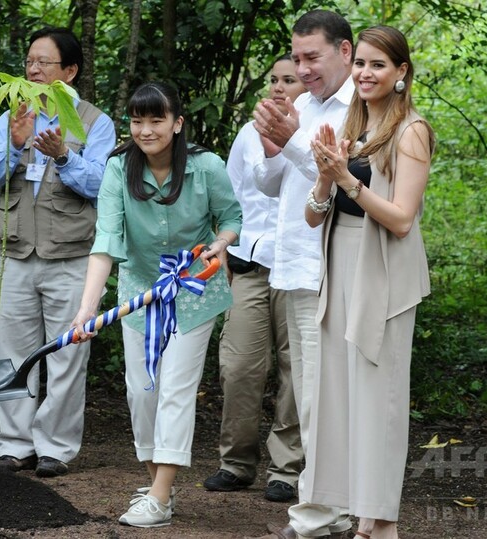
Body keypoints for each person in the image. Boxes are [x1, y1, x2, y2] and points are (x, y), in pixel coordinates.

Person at [71, 81, 242, 528]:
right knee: (141, 393)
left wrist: (219, 245)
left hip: (193, 291)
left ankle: (160, 498)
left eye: (156, 120)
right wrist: (87, 308)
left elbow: (232, 217)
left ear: (177, 123)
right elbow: (106, 241)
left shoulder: (207, 167)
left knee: (176, 390)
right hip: (140, 293)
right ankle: (156, 486)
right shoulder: (117, 170)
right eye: (137, 120)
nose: (145, 130)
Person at [301, 25, 435, 539]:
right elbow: (315, 217)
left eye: (379, 65)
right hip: (341, 269)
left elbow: (402, 218)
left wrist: (347, 181)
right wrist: (323, 174)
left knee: (378, 400)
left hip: (383, 271)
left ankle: (383, 525)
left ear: (401, 73)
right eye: (361, 64)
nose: (365, 74)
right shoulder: (348, 127)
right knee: (341, 397)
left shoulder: (411, 131)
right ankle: (360, 518)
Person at [0, 26, 116, 478]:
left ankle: (54, 447)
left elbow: (101, 185)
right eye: (29, 62)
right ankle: (16, 446)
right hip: (15, 256)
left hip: (72, 260)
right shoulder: (14, 114)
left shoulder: (95, 121)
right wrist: (15, 143)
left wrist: (62, 156)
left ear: (70, 72)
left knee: (66, 356)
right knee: (13, 356)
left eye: (44, 62)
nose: (33, 69)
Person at [251, 9, 355, 538]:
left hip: (332, 268)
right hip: (292, 264)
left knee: (321, 395)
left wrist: (291, 142)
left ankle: (317, 514)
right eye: (297, 57)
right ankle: (333, 510)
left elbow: (341, 184)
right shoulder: (305, 106)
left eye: (312, 57)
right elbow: (276, 187)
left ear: (346, 52)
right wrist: (272, 146)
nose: (303, 68)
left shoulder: (359, 107)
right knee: (313, 394)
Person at [203, 54, 307, 503]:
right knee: (239, 365)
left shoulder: (319, 129)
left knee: (296, 369)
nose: (280, 87)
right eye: (275, 80)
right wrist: (221, 244)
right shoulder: (249, 132)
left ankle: (287, 468)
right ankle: (237, 462)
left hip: (299, 267)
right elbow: (229, 196)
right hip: (249, 262)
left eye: (292, 80)